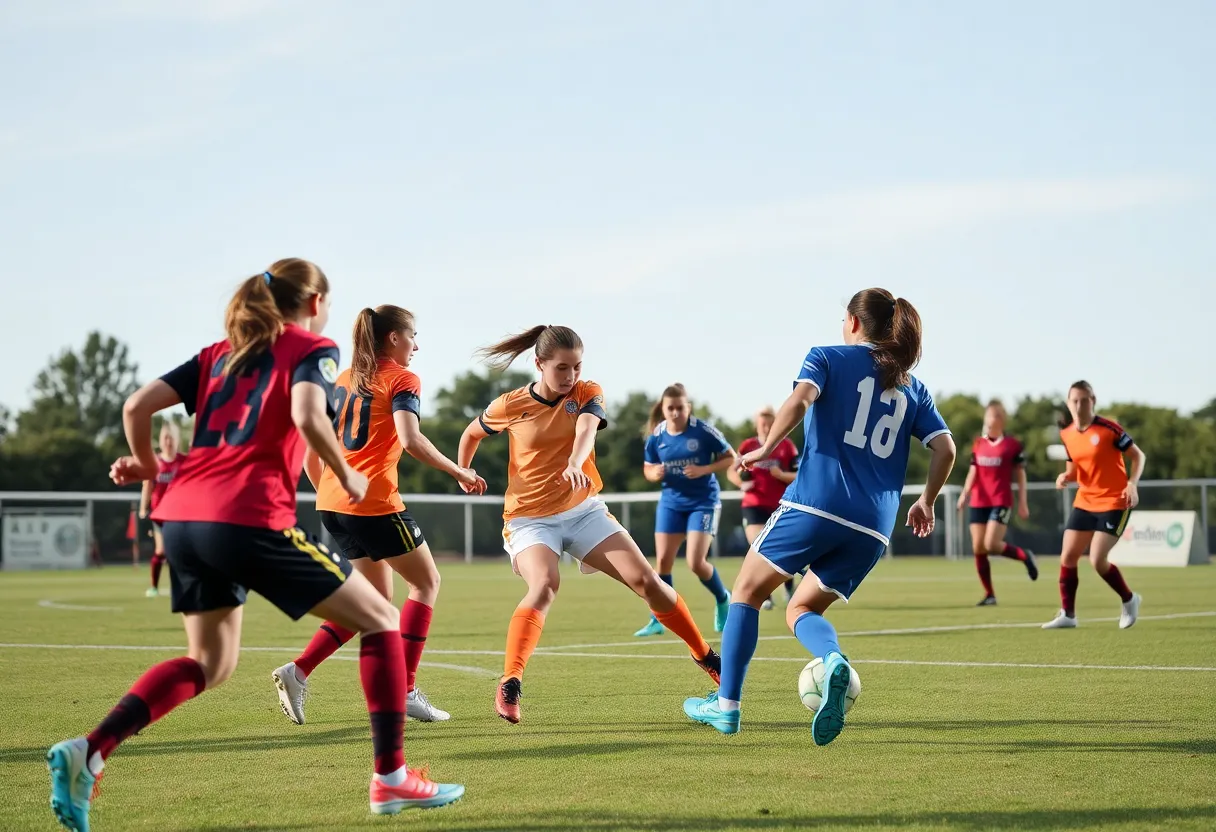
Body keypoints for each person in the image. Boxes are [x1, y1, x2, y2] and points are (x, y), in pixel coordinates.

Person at [46, 260, 463, 832]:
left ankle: (87, 752)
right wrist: (347, 470)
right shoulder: (312, 349)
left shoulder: (220, 352)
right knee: (384, 618)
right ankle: (391, 778)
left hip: (183, 519)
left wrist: (146, 463)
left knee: (208, 664)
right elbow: (306, 414)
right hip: (245, 515)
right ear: (315, 301)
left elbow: (135, 406)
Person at [683, 288, 956, 746]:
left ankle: (726, 706)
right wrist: (927, 500)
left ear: (852, 322)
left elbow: (801, 400)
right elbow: (945, 448)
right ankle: (833, 661)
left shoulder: (828, 357)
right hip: (874, 528)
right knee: (801, 606)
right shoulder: (914, 387)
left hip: (816, 505)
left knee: (746, 595)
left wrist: (767, 447)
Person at [457, 325, 721, 724]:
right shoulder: (510, 405)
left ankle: (706, 656)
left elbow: (586, 428)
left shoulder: (586, 391)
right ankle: (511, 681)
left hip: (582, 511)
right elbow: (472, 432)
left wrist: (576, 462)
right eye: (562, 368)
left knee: (649, 582)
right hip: (529, 520)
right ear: (539, 364)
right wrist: (464, 470)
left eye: (577, 366)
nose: (571, 376)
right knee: (544, 585)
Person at [272, 305, 486, 726]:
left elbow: (311, 449)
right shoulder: (403, 379)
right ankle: (404, 689)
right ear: (393, 339)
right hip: (373, 504)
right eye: (412, 336)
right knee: (427, 583)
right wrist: (460, 470)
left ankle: (297, 672)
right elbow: (410, 438)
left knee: (373, 604)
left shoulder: (343, 380)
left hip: (334, 505)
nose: (416, 345)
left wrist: (330, 493)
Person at [633, 384, 736, 637]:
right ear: (664, 409)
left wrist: (703, 470)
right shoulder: (657, 436)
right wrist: (653, 473)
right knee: (663, 564)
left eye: (681, 407)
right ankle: (658, 619)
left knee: (695, 562)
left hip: (703, 502)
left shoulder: (702, 431)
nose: (676, 412)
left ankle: (723, 598)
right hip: (671, 502)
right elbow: (648, 468)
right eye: (671, 408)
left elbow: (730, 457)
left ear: (688, 407)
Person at [1042, 381, 1144, 630]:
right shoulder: (1067, 434)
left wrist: (1132, 483)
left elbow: (1137, 456)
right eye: (1074, 401)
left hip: (1114, 501)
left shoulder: (1109, 429)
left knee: (1098, 560)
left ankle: (1130, 600)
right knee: (1068, 556)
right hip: (1085, 501)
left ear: (1093, 400)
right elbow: (1075, 470)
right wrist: (1066, 477)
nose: (1079, 405)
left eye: (1084, 400)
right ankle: (1068, 614)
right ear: (1068, 403)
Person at [956, 400, 1037, 606]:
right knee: (978, 548)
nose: (988, 419)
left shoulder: (1012, 445)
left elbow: (1020, 475)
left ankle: (1025, 556)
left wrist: (1023, 502)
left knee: (991, 544)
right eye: (987, 416)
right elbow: (973, 471)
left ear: (1000, 419)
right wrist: (965, 494)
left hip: (1000, 500)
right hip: (979, 501)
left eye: (991, 415)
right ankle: (990, 594)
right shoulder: (979, 444)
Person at [727, 405, 799, 610]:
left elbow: (798, 475)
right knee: (759, 546)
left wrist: (781, 475)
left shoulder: (787, 446)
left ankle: (788, 587)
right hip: (754, 505)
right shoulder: (748, 446)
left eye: (770, 421)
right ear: (756, 424)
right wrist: (741, 484)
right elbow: (732, 471)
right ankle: (765, 596)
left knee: (784, 548)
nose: (766, 426)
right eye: (763, 422)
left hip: (780, 505)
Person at [138, 422, 186, 598]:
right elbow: (147, 485)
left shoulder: (185, 461)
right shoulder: (155, 462)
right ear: (160, 440)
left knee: (179, 552)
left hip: (180, 514)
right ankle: (154, 586)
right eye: (165, 437)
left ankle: (180, 587)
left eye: (171, 437)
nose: (168, 441)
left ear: (177, 440)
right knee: (161, 551)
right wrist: (143, 508)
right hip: (159, 513)